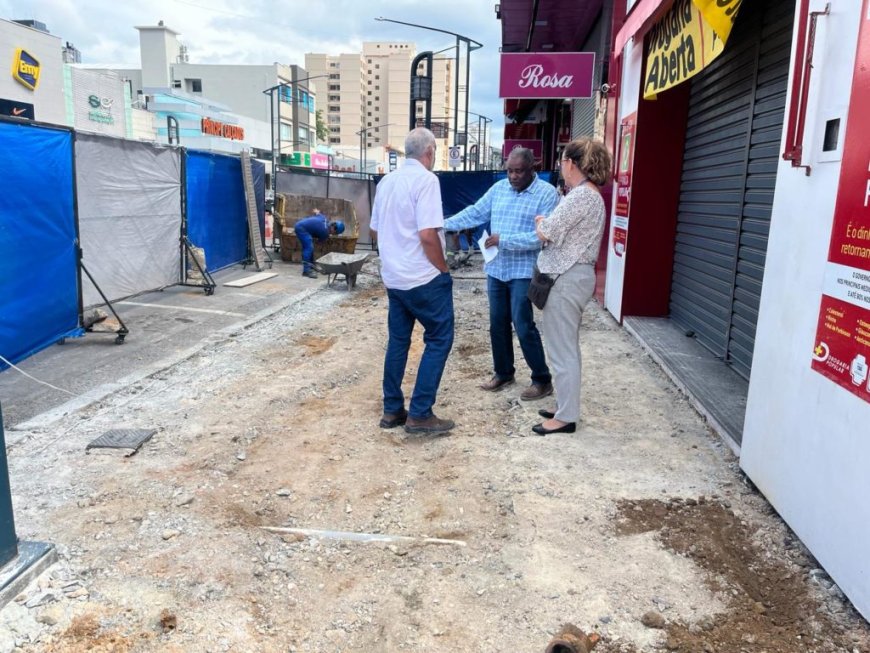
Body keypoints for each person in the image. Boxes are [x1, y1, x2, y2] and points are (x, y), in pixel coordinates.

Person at [443, 148, 559, 401]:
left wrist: (503, 240)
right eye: (510, 171)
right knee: (497, 323)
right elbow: (475, 212)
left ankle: (542, 379)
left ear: (532, 169)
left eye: (519, 171)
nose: (513, 176)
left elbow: (541, 237)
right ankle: (504, 372)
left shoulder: (547, 194)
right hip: (497, 269)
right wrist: (442, 223)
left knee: (522, 323)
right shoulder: (499, 189)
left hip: (523, 271)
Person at [370, 127, 455, 435]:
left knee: (398, 341)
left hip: (395, 279)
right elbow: (427, 235)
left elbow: (375, 231)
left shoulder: (387, 181)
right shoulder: (427, 180)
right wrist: (443, 269)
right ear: (429, 152)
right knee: (440, 338)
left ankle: (392, 410)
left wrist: (393, 256)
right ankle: (420, 413)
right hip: (423, 278)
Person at [530, 137, 611, 435]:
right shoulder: (589, 195)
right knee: (567, 347)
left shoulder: (580, 197)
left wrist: (541, 221)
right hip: (574, 276)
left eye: (562, 161)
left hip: (566, 277)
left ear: (571, 163)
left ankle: (565, 417)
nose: (560, 166)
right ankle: (565, 406)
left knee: (562, 348)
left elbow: (547, 231)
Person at [293, 209, 345, 279]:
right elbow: (319, 243)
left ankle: (311, 265)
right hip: (301, 229)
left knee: (310, 247)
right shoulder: (325, 233)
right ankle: (306, 271)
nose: (333, 234)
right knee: (309, 248)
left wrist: (316, 211)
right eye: (335, 233)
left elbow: (317, 212)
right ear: (335, 230)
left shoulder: (324, 218)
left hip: (300, 224)